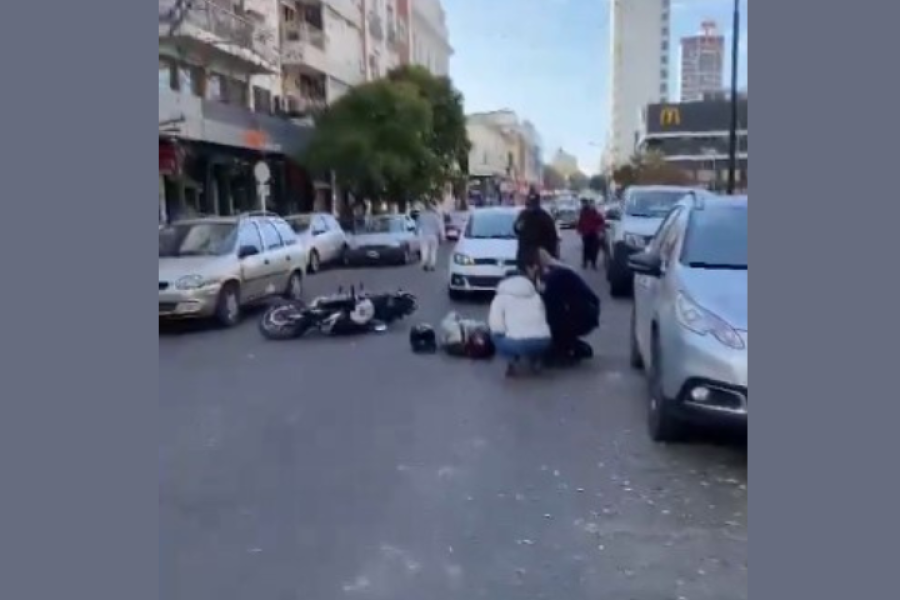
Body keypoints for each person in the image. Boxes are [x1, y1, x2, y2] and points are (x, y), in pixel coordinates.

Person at [488, 248, 553, 377]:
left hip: (516, 344)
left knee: (496, 335)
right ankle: (535, 360)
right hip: (543, 341)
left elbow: (497, 327)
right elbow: (543, 318)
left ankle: (511, 363)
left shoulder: (500, 298)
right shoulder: (535, 295)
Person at [535, 249, 601, 366]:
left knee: (552, 318)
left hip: (580, 313)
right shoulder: (559, 271)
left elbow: (550, 303)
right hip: (586, 310)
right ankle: (568, 345)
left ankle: (564, 348)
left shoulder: (553, 276)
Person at [514, 186, 559, 264]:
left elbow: (552, 238)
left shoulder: (544, 218)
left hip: (540, 259)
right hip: (526, 258)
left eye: (531, 204)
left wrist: (550, 257)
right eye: (529, 205)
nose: (530, 207)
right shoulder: (524, 215)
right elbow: (516, 229)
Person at [576, 198, 605, 270]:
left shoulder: (593, 211)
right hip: (586, 233)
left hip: (593, 233)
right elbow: (580, 221)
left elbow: (600, 221)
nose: (583, 205)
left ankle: (592, 263)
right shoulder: (583, 212)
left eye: (584, 203)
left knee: (593, 248)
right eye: (582, 203)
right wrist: (579, 229)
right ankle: (586, 262)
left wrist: (600, 230)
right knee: (586, 248)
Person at [416, 201, 445, 271]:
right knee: (433, 251)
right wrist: (442, 236)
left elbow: (417, 226)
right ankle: (432, 265)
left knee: (424, 250)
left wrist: (416, 232)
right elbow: (439, 227)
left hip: (424, 235)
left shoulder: (421, 216)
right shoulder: (435, 216)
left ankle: (424, 262)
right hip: (433, 236)